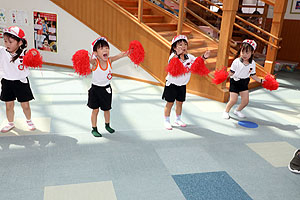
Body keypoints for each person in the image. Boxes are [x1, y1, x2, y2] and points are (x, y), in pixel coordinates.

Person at [162, 35, 210, 130]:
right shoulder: (173, 57)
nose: (183, 46)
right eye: (180, 45)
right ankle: (167, 120)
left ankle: (178, 119)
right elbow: (172, 63)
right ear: (174, 47)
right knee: (170, 103)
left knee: (180, 103)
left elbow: (197, 63)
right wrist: (177, 54)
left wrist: (204, 57)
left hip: (182, 85)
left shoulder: (189, 57)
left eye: (185, 44)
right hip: (171, 84)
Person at [88, 37, 129, 137]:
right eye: (101, 48)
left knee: (107, 109)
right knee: (95, 110)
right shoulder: (95, 62)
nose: (105, 50)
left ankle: (107, 125)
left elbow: (119, 55)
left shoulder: (110, 60)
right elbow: (88, 59)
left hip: (106, 89)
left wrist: (127, 53)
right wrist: (86, 56)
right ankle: (94, 128)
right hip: (95, 90)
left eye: (107, 48)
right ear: (96, 52)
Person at [0, 26, 36, 132]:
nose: (7, 44)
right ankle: (10, 123)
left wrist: (34, 56)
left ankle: (29, 120)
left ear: (19, 43)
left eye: (10, 42)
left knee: (25, 105)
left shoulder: (25, 53)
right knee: (8, 106)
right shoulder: (2, 51)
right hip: (6, 82)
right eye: (5, 41)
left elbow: (34, 59)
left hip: (21, 82)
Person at [222, 39, 264, 119]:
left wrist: (262, 81)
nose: (244, 54)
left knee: (245, 101)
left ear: (252, 53)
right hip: (235, 81)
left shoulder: (252, 63)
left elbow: (253, 75)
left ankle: (237, 110)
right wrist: (223, 76)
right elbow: (231, 72)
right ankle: (226, 111)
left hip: (244, 82)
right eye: (242, 52)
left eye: (247, 52)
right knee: (233, 100)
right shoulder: (236, 61)